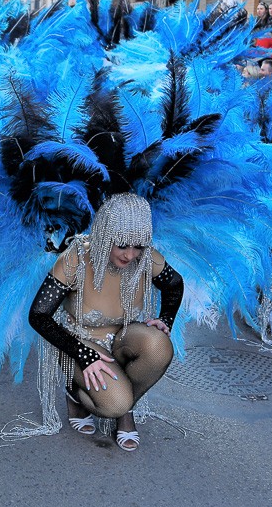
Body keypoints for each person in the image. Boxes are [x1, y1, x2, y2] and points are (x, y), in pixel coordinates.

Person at [27, 193, 182, 452]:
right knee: (114, 403)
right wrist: (83, 354)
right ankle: (76, 393)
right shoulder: (74, 259)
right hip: (79, 344)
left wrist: (166, 319)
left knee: (159, 346)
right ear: (104, 234)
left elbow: (174, 283)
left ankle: (126, 411)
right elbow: (38, 316)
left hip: (122, 339)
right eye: (122, 244)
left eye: (139, 246)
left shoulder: (146, 259)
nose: (131, 255)